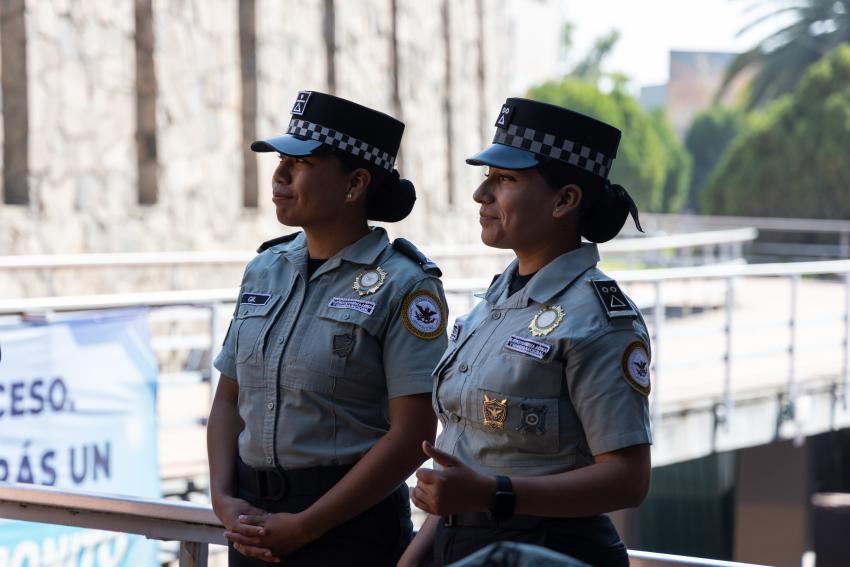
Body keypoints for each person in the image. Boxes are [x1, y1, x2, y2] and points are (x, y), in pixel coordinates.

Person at [400, 98, 652, 567]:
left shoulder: (597, 317)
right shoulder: (498, 299)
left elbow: (628, 479)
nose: (482, 195)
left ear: (565, 200)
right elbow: (466, 456)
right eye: (487, 177)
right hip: (461, 543)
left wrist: (496, 494)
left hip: (549, 551)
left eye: (506, 179)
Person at [207, 90, 447, 566]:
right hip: (253, 523)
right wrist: (222, 499)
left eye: (301, 164)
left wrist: (305, 526)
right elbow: (230, 399)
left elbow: (413, 434)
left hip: (348, 531)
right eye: (280, 160)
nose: (279, 176)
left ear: (355, 184)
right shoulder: (265, 268)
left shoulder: (404, 284)